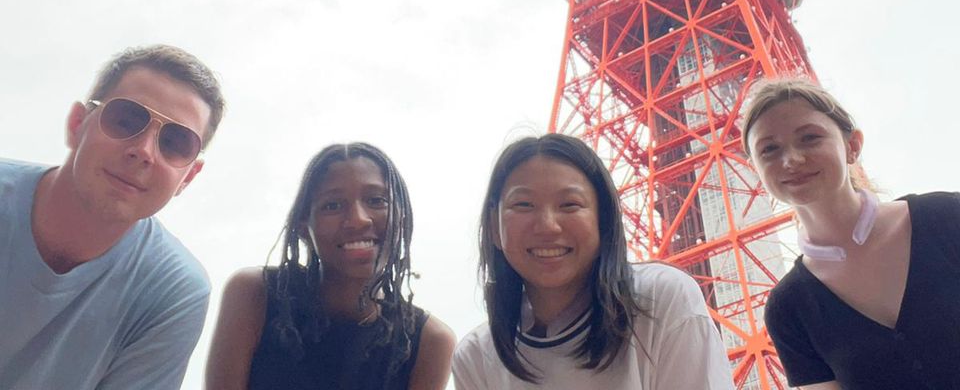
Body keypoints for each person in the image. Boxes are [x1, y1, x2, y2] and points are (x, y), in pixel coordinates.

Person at [0, 43, 225, 390]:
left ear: (188, 177)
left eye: (175, 142)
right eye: (126, 120)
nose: (144, 151)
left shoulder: (174, 290)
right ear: (77, 124)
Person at [452, 133, 734, 389]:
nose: (548, 226)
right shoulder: (476, 356)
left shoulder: (662, 300)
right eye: (523, 205)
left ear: (603, 220)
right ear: (493, 228)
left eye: (570, 205)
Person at [741, 77, 960, 390]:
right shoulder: (789, 307)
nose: (791, 160)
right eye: (769, 149)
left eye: (809, 138)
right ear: (756, 171)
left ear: (852, 145)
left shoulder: (947, 217)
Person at [205, 142, 455, 390]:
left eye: (377, 200)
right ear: (304, 225)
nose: (358, 219)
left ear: (401, 217)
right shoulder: (254, 294)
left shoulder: (430, 342)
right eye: (332, 205)